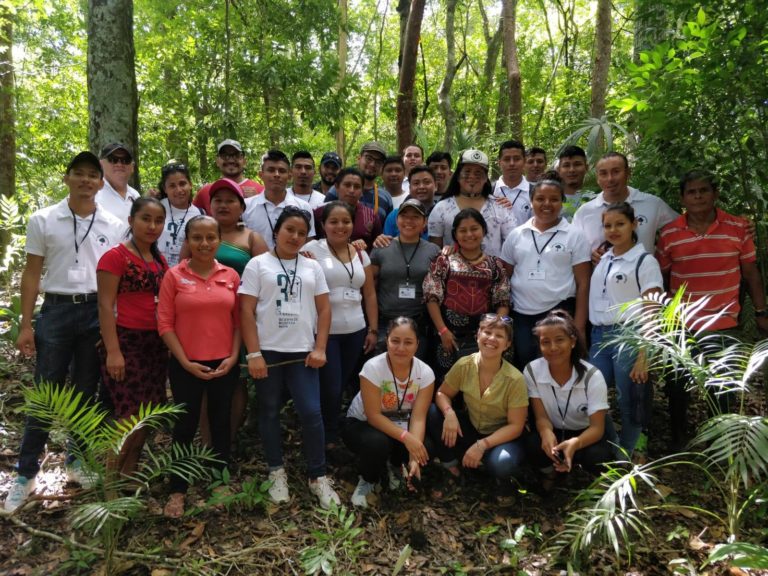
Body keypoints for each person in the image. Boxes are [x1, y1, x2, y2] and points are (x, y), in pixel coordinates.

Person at [5, 151, 126, 512]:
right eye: (80, 174)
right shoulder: (44, 220)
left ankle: (76, 460)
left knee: (85, 390)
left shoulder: (113, 224)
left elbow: (115, 283)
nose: (87, 181)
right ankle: (25, 473)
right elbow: (31, 274)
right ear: (67, 178)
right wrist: (26, 324)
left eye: (93, 176)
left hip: (94, 311)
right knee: (46, 393)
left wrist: (112, 327)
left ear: (101, 183)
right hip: (56, 310)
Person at [655, 170, 768, 449]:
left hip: (724, 321)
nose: (698, 197)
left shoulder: (739, 227)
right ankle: (679, 437)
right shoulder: (669, 234)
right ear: (682, 198)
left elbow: (750, 273)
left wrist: (761, 311)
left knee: (722, 386)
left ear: (715, 193)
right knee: (677, 384)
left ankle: (721, 441)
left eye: (703, 190)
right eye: (691, 192)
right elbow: (663, 276)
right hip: (682, 322)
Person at [239, 206, 341, 509]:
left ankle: (317, 475)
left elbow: (324, 310)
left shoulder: (312, 267)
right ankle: (276, 470)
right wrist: (254, 353)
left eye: (301, 232)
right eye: (289, 230)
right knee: (269, 410)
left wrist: (320, 347)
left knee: (311, 413)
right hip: (268, 351)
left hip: (303, 352)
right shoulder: (257, 265)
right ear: (276, 231)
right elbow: (245, 310)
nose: (295, 237)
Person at [158, 215, 241, 518]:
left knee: (221, 423)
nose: (204, 244)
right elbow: (165, 323)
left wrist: (233, 357)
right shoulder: (174, 276)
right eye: (197, 238)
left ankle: (220, 481)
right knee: (185, 426)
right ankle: (177, 489)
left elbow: (238, 323)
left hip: (224, 362)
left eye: (210, 237)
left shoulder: (231, 275)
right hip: (185, 364)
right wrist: (184, 361)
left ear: (220, 240)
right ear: (188, 241)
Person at [96, 197, 169, 477]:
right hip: (126, 343)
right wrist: (114, 351)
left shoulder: (158, 258)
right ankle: (110, 485)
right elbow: (104, 305)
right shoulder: (115, 257)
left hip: (155, 344)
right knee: (128, 415)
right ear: (131, 221)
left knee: (147, 415)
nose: (152, 226)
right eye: (145, 219)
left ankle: (128, 477)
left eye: (158, 220)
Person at [588, 202, 663, 458]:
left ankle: (625, 454)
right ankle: (614, 442)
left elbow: (653, 309)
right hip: (599, 336)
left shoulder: (644, 261)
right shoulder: (605, 258)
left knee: (628, 399)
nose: (613, 230)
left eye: (620, 224)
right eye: (608, 225)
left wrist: (644, 354)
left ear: (634, 224)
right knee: (590, 394)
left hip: (629, 336)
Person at [303, 201, 379, 446]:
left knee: (343, 383)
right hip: (327, 333)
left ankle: (332, 429)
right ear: (323, 225)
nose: (340, 226)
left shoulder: (360, 253)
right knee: (331, 387)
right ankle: (327, 436)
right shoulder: (311, 249)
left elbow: (369, 294)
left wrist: (373, 329)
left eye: (345, 221)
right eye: (333, 221)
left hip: (355, 331)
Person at [500, 172, 591, 370]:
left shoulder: (575, 236)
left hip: (558, 311)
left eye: (554, 199)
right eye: (540, 199)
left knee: (554, 364)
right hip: (521, 313)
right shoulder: (516, 235)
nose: (547, 204)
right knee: (525, 364)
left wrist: (579, 326)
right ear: (531, 201)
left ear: (562, 202)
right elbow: (504, 278)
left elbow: (584, 283)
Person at [343, 317, 434, 507]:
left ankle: (396, 465)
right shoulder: (373, 367)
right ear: (387, 340)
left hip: (400, 425)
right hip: (363, 423)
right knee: (377, 442)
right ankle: (368, 479)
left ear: (417, 344)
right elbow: (374, 415)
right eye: (395, 341)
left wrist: (414, 457)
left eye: (408, 342)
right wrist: (407, 438)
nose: (401, 348)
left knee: (425, 446)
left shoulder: (425, 373)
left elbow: (418, 418)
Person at [428, 314, 528, 481]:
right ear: (477, 336)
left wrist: (483, 445)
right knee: (433, 412)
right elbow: (442, 393)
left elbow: (516, 426)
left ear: (507, 344)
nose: (491, 339)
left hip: (502, 437)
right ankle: (451, 466)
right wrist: (449, 413)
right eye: (487, 332)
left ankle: (499, 480)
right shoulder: (464, 365)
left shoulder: (515, 379)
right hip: (473, 428)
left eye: (499, 336)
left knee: (502, 464)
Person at [424, 208, 511, 380]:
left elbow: (503, 301)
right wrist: (443, 331)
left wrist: (493, 332)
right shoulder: (443, 261)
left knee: (483, 380)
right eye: (462, 230)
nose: (469, 234)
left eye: (474, 229)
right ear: (455, 234)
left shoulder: (495, 265)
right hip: (449, 335)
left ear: (484, 231)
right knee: (448, 381)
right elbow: (431, 297)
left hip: (484, 336)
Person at [524, 310, 613, 475]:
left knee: (598, 455)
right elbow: (541, 416)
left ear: (572, 342)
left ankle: (593, 483)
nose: (553, 348)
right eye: (545, 342)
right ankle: (550, 475)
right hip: (554, 431)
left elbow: (597, 428)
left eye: (559, 340)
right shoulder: (532, 370)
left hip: (586, 433)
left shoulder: (592, 376)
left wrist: (575, 444)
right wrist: (545, 432)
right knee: (532, 444)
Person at [572, 152, 678, 257]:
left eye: (616, 172)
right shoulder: (584, 212)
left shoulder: (652, 204)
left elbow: (683, 228)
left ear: (628, 173)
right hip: (600, 272)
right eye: (603, 173)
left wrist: (663, 255)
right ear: (597, 178)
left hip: (643, 272)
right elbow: (572, 248)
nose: (610, 179)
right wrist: (589, 255)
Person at [371, 198, 440, 358]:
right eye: (404, 216)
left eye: (415, 217)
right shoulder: (381, 247)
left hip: (419, 323)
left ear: (424, 222)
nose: (409, 221)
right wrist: (372, 328)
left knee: (414, 374)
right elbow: (370, 289)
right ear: (397, 220)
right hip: (385, 322)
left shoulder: (434, 251)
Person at [427, 149, 517, 258]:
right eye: (467, 171)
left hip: (493, 273)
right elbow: (434, 251)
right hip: (453, 273)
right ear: (458, 176)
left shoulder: (500, 207)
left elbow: (512, 246)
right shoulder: (441, 209)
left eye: (478, 173)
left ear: (485, 178)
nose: (472, 176)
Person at [242, 149, 316, 250]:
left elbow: (308, 244)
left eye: (282, 171)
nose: (276, 174)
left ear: (289, 176)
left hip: (292, 264)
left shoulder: (303, 207)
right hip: (256, 264)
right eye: (271, 170)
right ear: (261, 175)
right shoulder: (246, 206)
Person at [315, 168, 383, 250]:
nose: (352, 190)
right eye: (347, 185)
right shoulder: (320, 213)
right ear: (337, 187)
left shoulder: (371, 216)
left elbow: (377, 246)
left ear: (362, 191)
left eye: (357, 187)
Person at [193, 139, 264, 215]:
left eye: (236, 155)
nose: (231, 160)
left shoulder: (261, 192)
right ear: (217, 162)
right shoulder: (205, 192)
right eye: (225, 156)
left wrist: (259, 202)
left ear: (244, 161)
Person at [325, 141, 393, 217]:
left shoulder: (385, 197)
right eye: (369, 158)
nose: (372, 164)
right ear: (359, 159)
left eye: (378, 161)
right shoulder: (338, 189)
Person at [156, 162, 203, 266]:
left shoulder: (199, 214)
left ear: (190, 185)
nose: (178, 190)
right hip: (156, 272)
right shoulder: (156, 207)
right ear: (165, 188)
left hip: (185, 275)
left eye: (182, 184)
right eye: (172, 186)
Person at [381, 166, 439, 239]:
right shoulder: (395, 215)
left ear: (436, 186)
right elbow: (386, 244)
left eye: (426, 182)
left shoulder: (442, 215)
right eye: (416, 183)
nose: (421, 187)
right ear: (410, 188)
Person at [96, 143, 140, 223]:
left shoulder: (135, 195)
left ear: (132, 167)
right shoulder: (92, 194)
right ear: (101, 164)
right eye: (113, 159)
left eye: (125, 160)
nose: (119, 164)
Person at [491, 140, 531, 227]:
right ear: (499, 162)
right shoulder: (490, 191)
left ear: (524, 161)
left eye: (516, 159)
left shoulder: (534, 192)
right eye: (507, 159)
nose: (512, 163)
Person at [556, 145, 593, 221]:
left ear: (587, 168)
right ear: (559, 169)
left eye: (577, 164)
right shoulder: (550, 200)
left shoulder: (594, 199)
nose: (571, 170)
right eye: (566, 165)